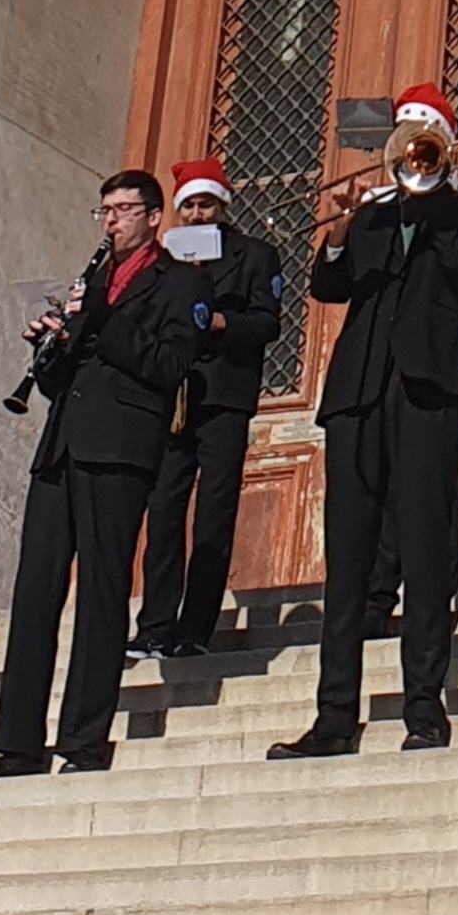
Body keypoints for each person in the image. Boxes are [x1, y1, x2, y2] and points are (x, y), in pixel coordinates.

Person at [0, 170, 209, 779]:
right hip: (62, 445)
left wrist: (103, 321)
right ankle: (17, 745)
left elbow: (171, 365)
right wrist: (49, 348)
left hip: (120, 450)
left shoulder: (182, 282)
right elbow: (59, 382)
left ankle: (84, 741)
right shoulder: (91, 279)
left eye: (123, 210)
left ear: (154, 217)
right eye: (104, 211)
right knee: (35, 593)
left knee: (101, 591)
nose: (111, 221)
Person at [268, 84, 458, 756]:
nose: (415, 156)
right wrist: (341, 227)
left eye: (426, 144)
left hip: (430, 390)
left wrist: (437, 199)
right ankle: (333, 716)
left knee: (425, 548)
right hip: (358, 391)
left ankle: (423, 707)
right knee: (347, 557)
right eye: (409, 144)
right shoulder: (368, 216)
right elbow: (328, 286)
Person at [130, 159, 282, 659]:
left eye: (206, 205)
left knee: (214, 514)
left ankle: (195, 628)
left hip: (224, 397)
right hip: (174, 396)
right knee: (163, 512)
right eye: (190, 206)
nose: (197, 214)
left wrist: (221, 322)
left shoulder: (254, 255)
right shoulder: (162, 261)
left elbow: (267, 322)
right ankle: (154, 625)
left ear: (222, 206)